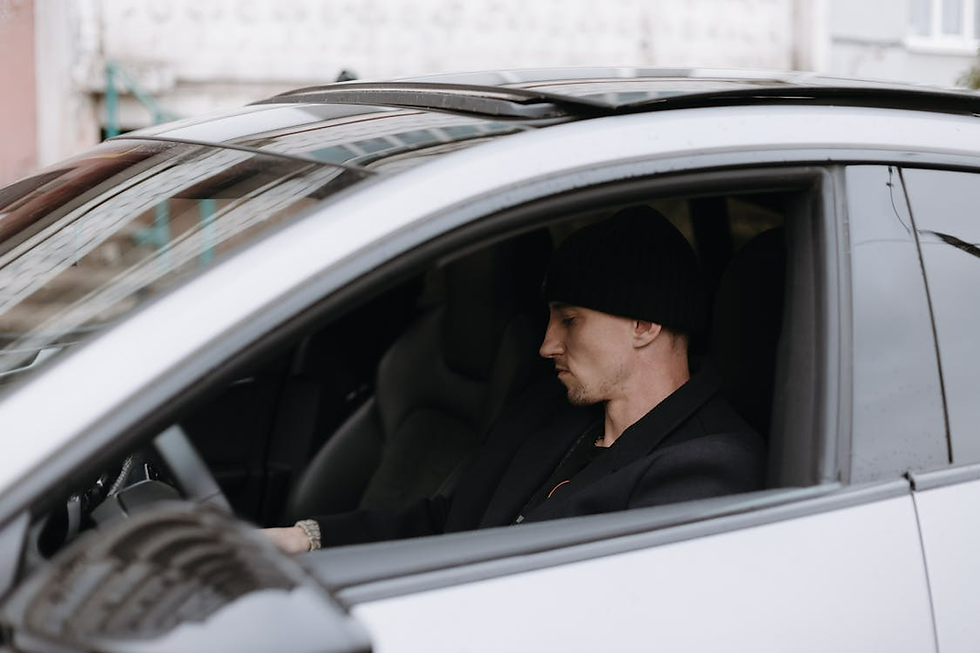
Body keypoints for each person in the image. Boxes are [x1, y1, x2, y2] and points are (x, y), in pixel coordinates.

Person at [265, 206, 766, 553]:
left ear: (644, 325)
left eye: (569, 320)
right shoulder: (548, 410)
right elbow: (448, 522)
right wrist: (306, 538)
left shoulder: (707, 472)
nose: (547, 345)